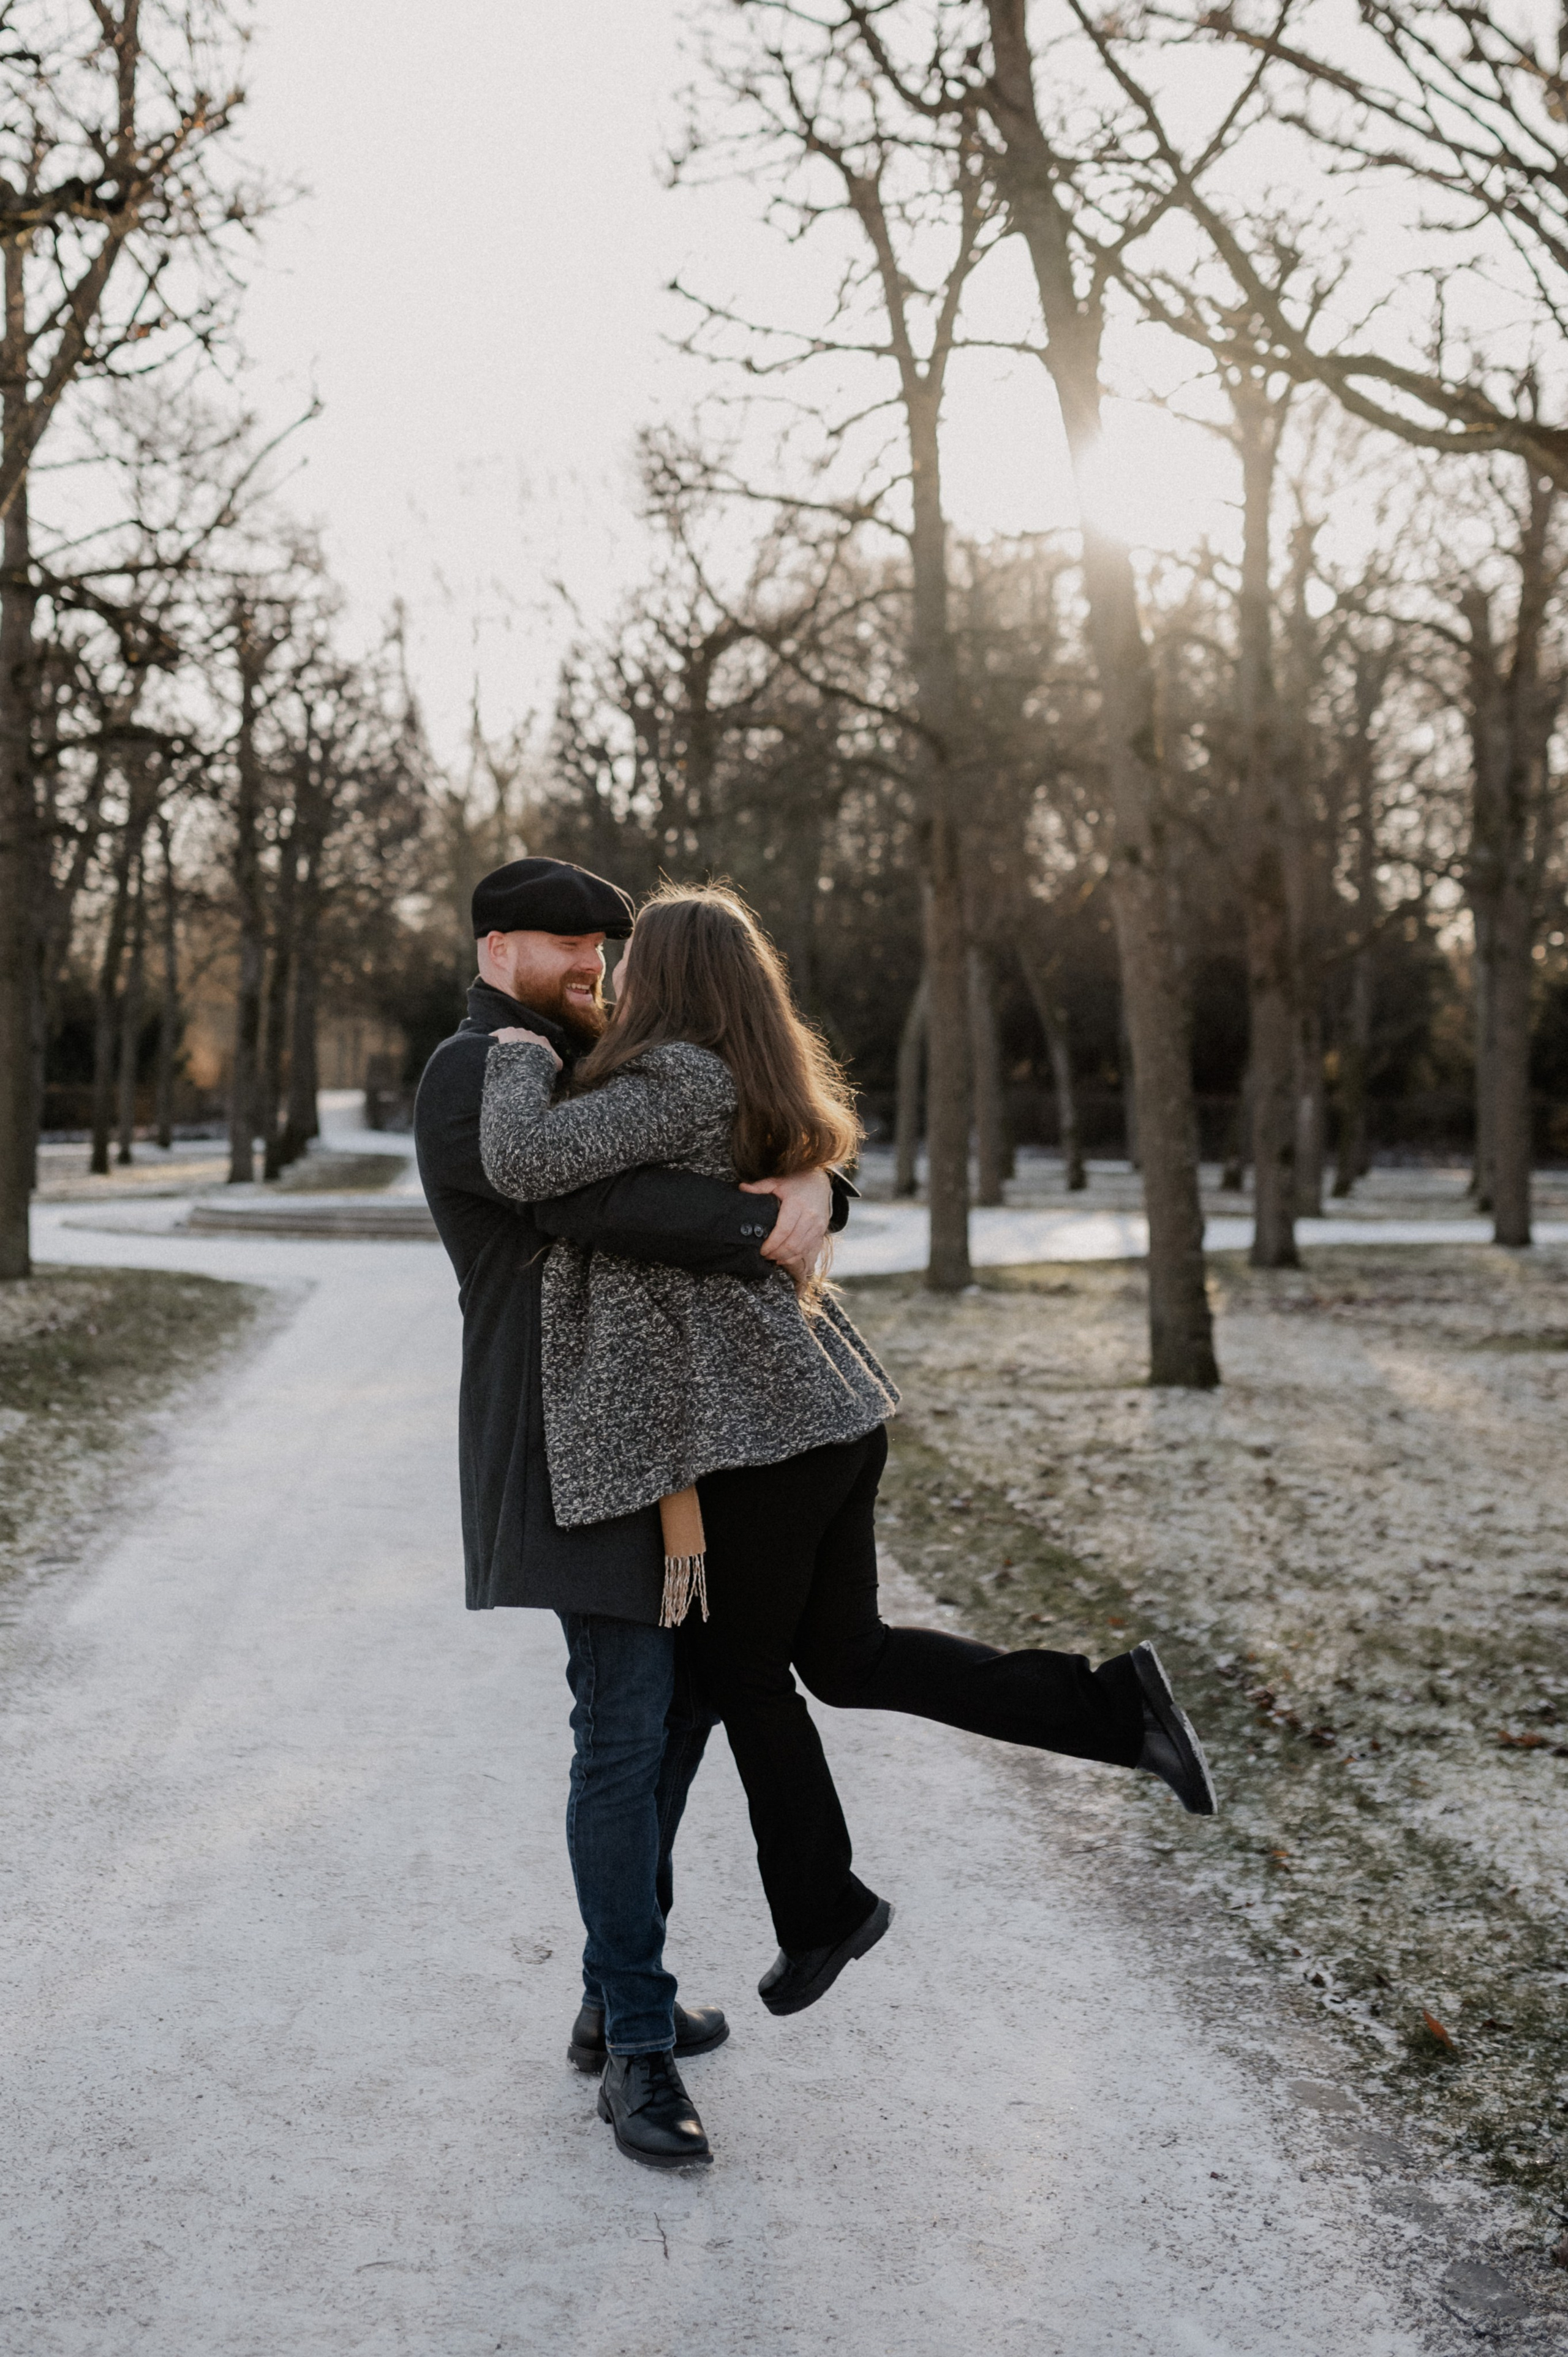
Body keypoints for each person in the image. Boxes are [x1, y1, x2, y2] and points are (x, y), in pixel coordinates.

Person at [478, 883, 1217, 2165]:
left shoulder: (667, 1078)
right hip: (827, 1416)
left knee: (733, 1671)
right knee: (849, 1657)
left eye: (630, 956)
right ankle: (1112, 1709)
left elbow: (528, 1164)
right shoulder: (755, 1077)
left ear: (669, 982)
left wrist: (509, 1051)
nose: (614, 972)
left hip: (768, 1442)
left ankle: (817, 1912)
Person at [414, 856, 848, 2175]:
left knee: (681, 1709)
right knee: (619, 1723)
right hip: (565, 1444)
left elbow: (733, 1140)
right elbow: (600, 1204)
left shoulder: (600, 1070)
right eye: (566, 940)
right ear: (497, 947)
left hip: (665, 1441)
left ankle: (616, 1997)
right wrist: (766, 1216)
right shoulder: (476, 1077)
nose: (595, 959)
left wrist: (820, 1187)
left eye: (606, 939)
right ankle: (639, 2045)